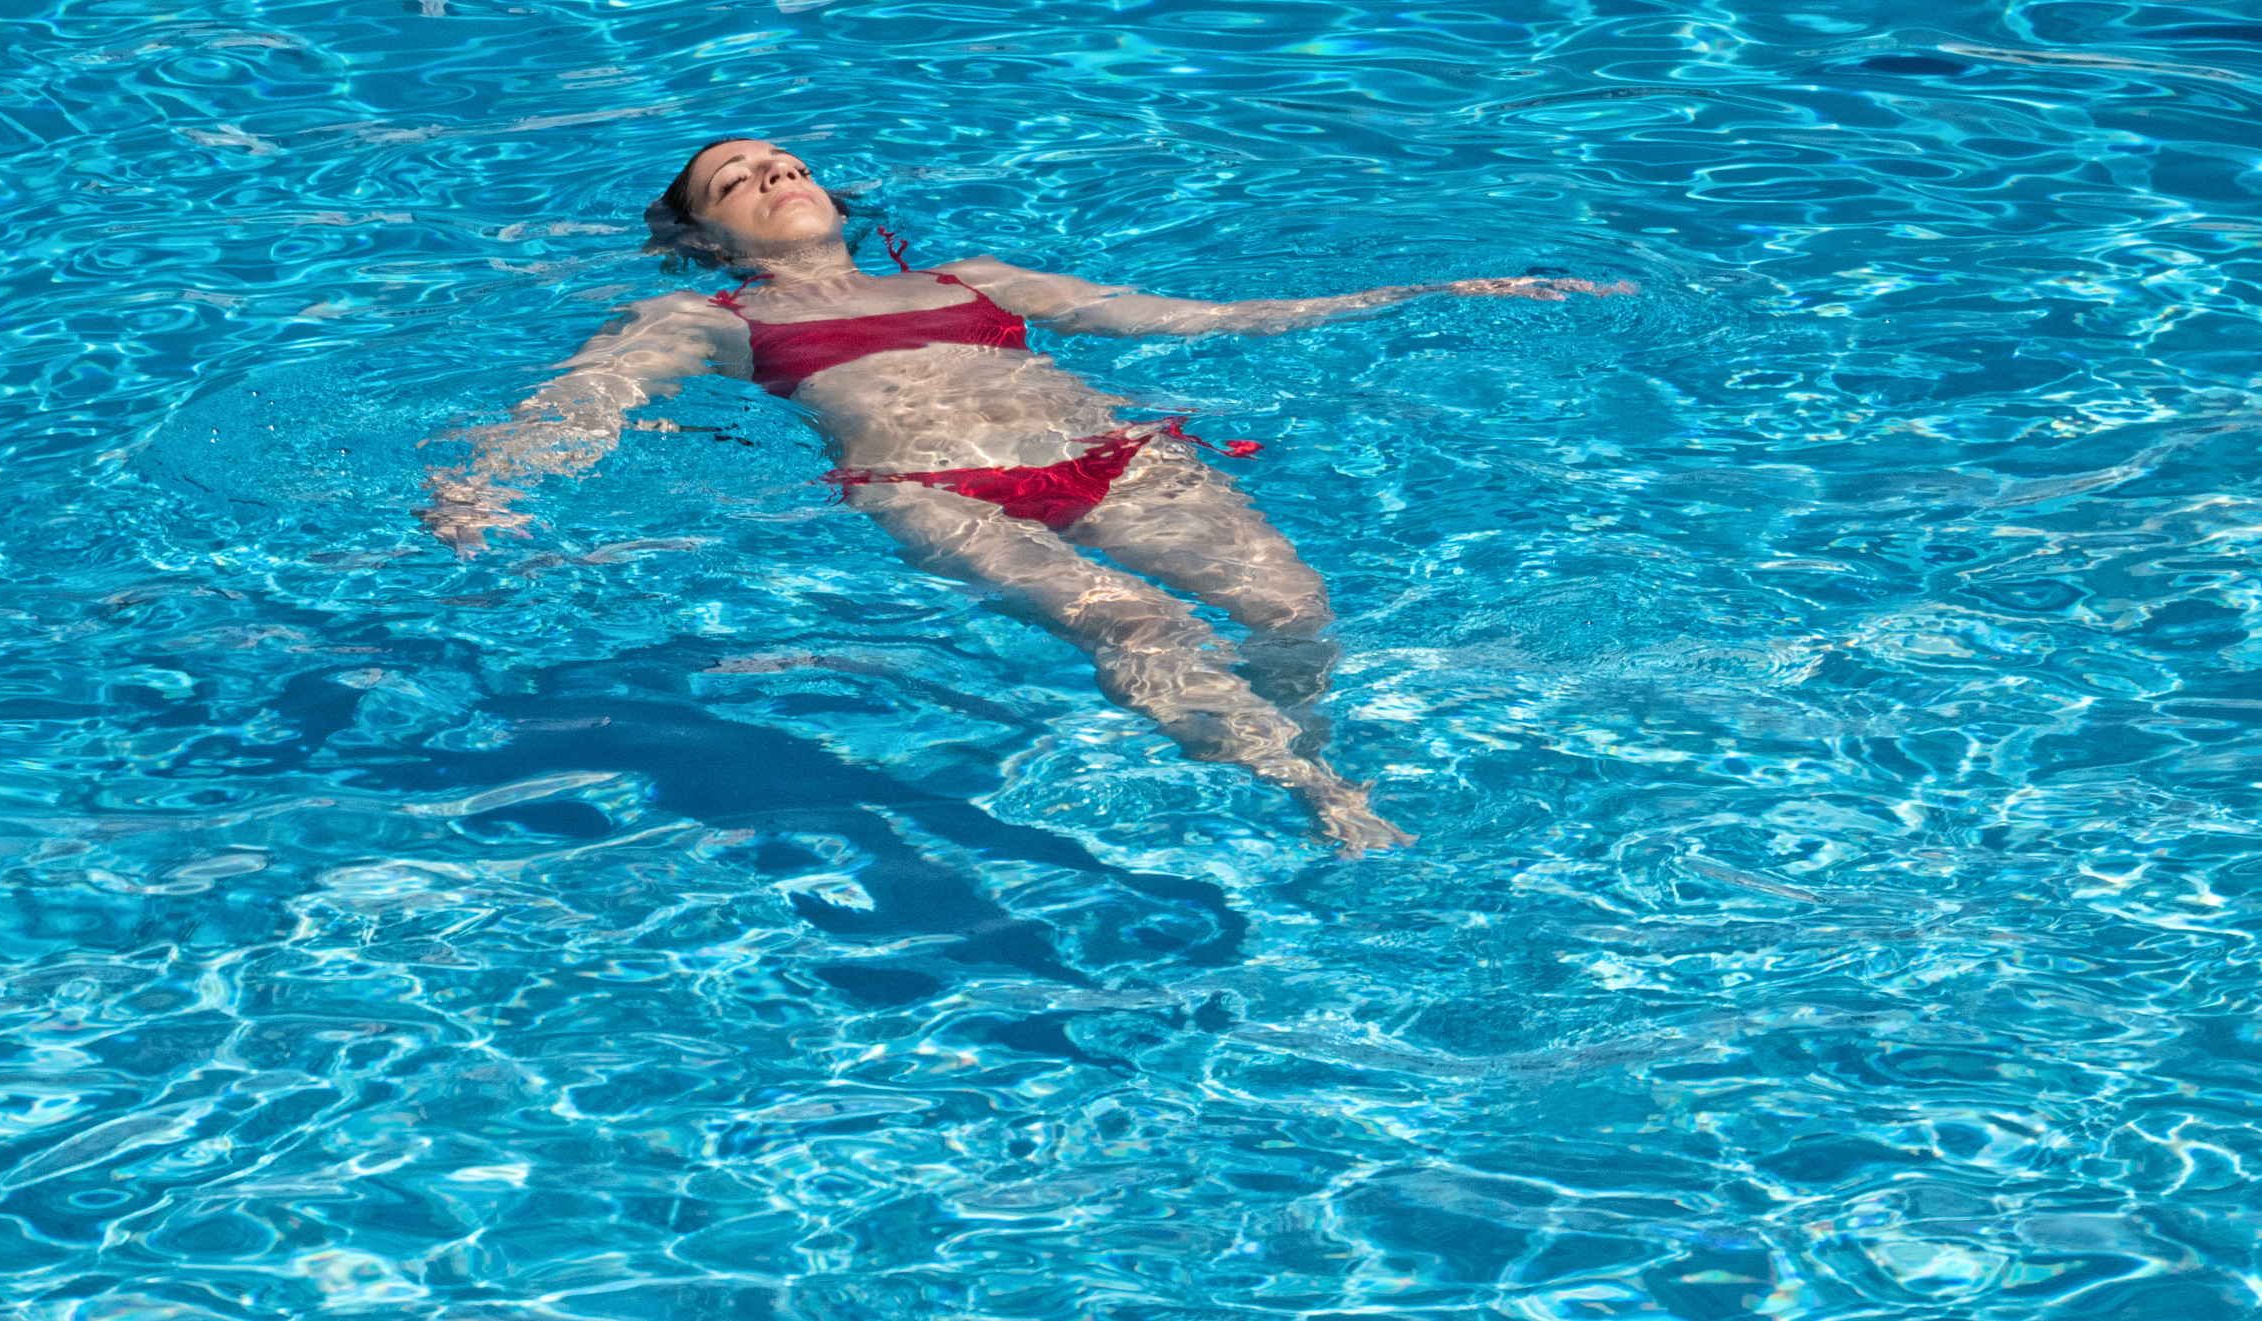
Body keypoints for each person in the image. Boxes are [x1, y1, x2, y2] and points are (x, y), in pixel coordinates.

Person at [422, 138, 1630, 855]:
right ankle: (1312, 789)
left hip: (1105, 455)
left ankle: (1288, 737)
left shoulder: (976, 279)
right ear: (704, 233)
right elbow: (583, 399)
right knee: (1139, 623)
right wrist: (482, 485)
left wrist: (1436, 292)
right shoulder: (707, 315)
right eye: (736, 178)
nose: (776, 173)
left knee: (1293, 609)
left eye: (788, 161)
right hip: (929, 487)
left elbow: (1201, 318)